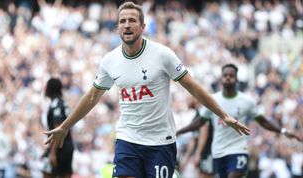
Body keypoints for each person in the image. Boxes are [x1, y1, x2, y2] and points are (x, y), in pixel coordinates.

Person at [44, 2, 250, 178]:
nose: (127, 25)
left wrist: (224, 115)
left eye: (132, 20)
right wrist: (65, 126)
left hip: (160, 142)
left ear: (142, 26)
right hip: (128, 139)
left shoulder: (162, 55)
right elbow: (91, 98)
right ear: (117, 27)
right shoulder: (110, 61)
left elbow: (193, 88)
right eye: (122, 21)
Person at [176, 63, 302, 178]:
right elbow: (200, 122)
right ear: (221, 79)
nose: (228, 77)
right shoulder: (213, 100)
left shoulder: (246, 101)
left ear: (236, 79)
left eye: (231, 75)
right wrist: (179, 131)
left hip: (238, 149)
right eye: (225, 75)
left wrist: (283, 131)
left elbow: (263, 121)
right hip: (219, 151)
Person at [42, 77, 74, 178]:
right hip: (68, 146)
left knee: (47, 174)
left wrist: (52, 153)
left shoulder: (56, 105)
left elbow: (58, 130)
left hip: (59, 148)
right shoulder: (64, 103)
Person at [177, 111, 214, 178]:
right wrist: (187, 156)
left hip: (207, 152)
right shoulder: (198, 113)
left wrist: (198, 153)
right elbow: (193, 138)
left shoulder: (204, 111)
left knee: (206, 175)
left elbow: (204, 133)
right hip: (200, 153)